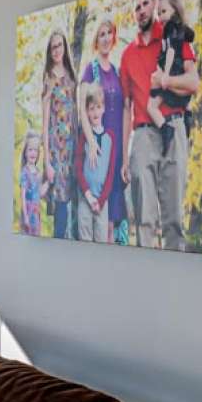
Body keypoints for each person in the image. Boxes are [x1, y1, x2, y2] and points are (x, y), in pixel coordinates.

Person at [119, 0, 198, 250]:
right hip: (142, 136)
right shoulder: (127, 56)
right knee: (144, 221)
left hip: (173, 128)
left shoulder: (171, 34)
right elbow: (126, 108)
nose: (141, 10)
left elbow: (193, 82)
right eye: (136, 7)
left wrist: (165, 82)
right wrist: (123, 158)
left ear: (154, 5)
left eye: (145, 4)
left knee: (174, 220)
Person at [77, 17, 127, 240]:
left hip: (114, 146)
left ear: (114, 37)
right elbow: (82, 109)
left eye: (109, 33)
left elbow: (125, 109)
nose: (106, 38)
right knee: (97, 209)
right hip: (98, 148)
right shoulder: (91, 69)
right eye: (101, 34)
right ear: (96, 40)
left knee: (114, 209)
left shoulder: (116, 71)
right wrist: (91, 141)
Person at [39, 30, 78, 239]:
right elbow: (45, 123)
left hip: (73, 148)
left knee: (74, 200)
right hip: (56, 150)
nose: (57, 50)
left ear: (65, 48)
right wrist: (47, 162)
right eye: (53, 46)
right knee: (61, 204)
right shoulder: (48, 78)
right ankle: (58, 244)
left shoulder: (72, 77)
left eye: (60, 45)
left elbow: (76, 113)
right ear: (49, 50)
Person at [74, 83, 116, 243]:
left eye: (98, 107)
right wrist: (88, 195)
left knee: (101, 240)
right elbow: (78, 169)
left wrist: (100, 200)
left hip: (102, 201)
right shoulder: (84, 136)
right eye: (91, 109)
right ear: (87, 112)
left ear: (103, 108)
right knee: (84, 238)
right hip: (86, 198)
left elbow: (111, 174)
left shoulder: (110, 138)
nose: (95, 112)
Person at [18, 131, 45, 235]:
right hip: (28, 213)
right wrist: (25, 217)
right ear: (25, 152)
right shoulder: (25, 172)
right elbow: (23, 197)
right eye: (30, 150)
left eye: (35, 150)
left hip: (36, 214)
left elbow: (40, 193)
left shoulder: (38, 172)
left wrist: (49, 183)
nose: (33, 153)